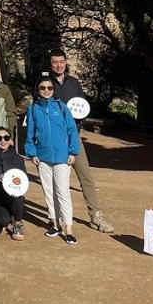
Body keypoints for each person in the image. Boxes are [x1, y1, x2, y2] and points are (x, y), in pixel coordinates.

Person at [49, 48, 114, 233]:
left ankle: (96, 216)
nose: (58, 65)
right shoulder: (45, 84)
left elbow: (82, 108)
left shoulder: (74, 84)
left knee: (86, 177)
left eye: (61, 61)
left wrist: (79, 122)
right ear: (50, 64)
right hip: (53, 139)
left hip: (73, 138)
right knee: (57, 180)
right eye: (55, 62)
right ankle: (56, 219)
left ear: (65, 62)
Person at [25, 76, 80, 245]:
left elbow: (72, 130)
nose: (46, 90)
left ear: (53, 90)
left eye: (49, 88)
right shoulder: (33, 108)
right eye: (43, 88)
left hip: (62, 157)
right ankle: (55, 223)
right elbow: (30, 133)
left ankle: (68, 228)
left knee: (63, 192)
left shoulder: (62, 108)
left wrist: (73, 152)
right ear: (38, 90)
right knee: (48, 192)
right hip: (42, 157)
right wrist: (32, 152)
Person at [0, 127, 26, 241]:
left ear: (10, 140)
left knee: (19, 198)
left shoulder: (18, 159)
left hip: (12, 196)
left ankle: (17, 223)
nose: (3, 141)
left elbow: (23, 181)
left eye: (6, 137)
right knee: (2, 221)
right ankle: (2, 219)